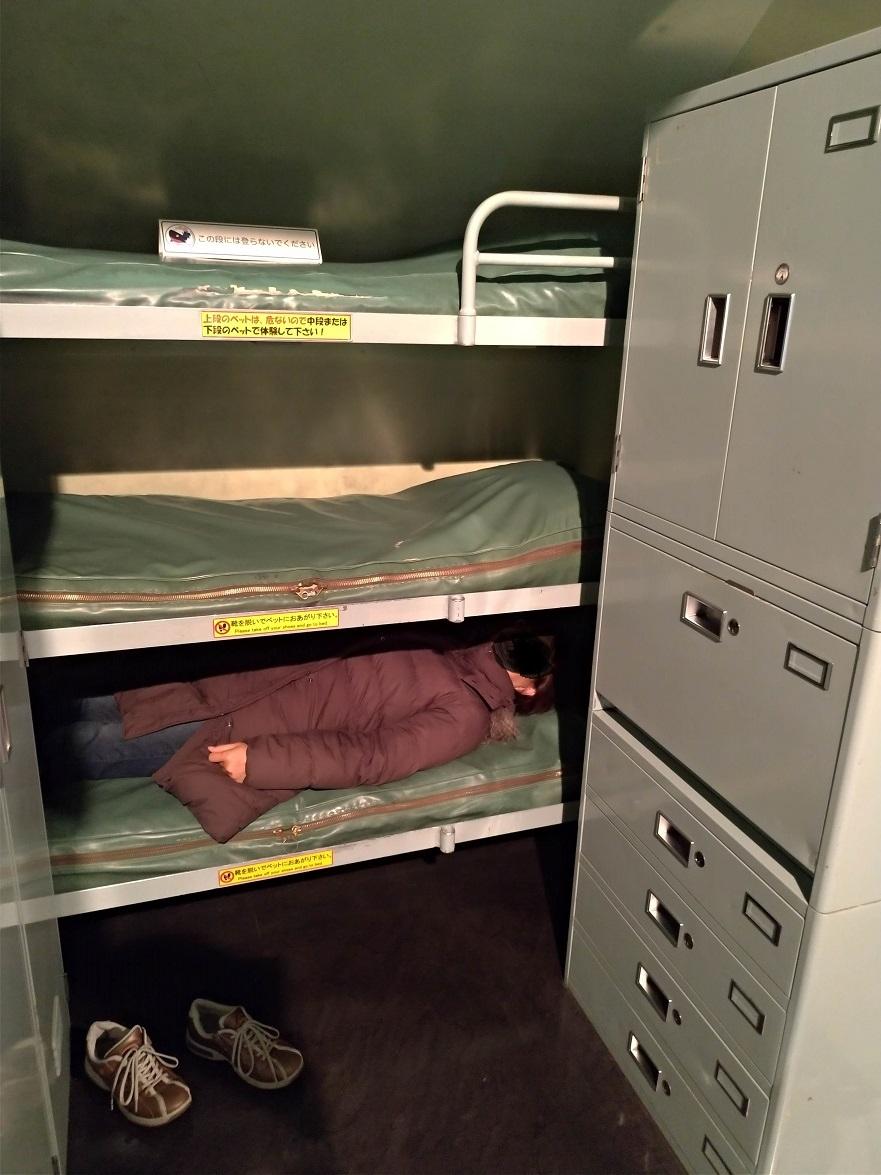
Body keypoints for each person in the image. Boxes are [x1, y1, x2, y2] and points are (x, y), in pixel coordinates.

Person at [40, 630, 553, 844]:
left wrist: (263, 761)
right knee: (93, 710)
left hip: (245, 720)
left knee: (88, 739)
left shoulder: (464, 706)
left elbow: (373, 757)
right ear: (530, 685)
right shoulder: (451, 656)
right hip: (242, 692)